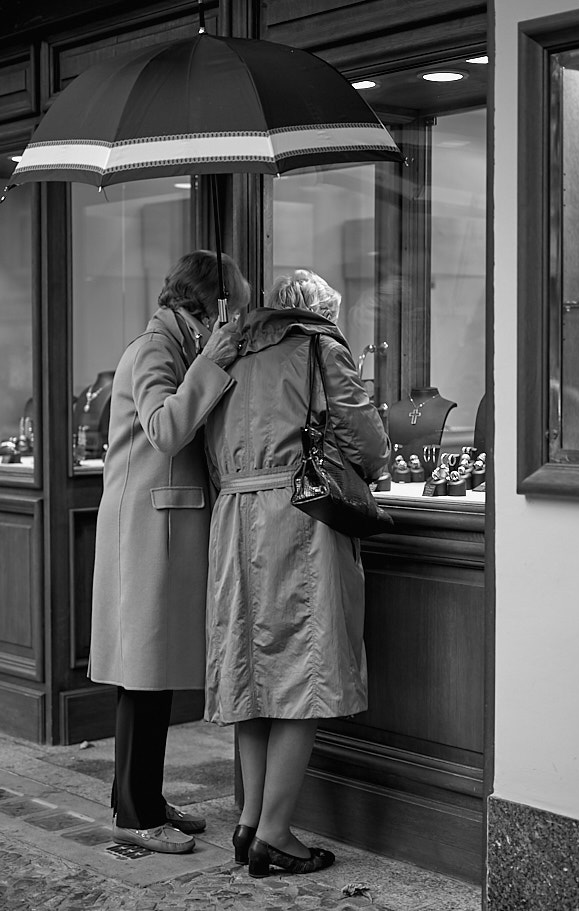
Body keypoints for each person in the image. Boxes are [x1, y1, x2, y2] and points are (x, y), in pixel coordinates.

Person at [203, 268, 391, 876]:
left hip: (234, 513)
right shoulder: (319, 345)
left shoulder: (227, 350)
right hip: (299, 512)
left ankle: (250, 822)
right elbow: (366, 444)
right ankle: (277, 833)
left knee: (254, 676)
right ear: (320, 310)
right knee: (302, 677)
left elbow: (205, 437)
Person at [88, 249, 249, 854]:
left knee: (148, 675)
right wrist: (211, 362)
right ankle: (134, 814)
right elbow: (162, 428)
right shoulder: (158, 348)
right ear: (208, 302)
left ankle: (143, 799)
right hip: (145, 531)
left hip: (160, 527)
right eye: (230, 302)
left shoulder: (173, 345)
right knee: (142, 675)